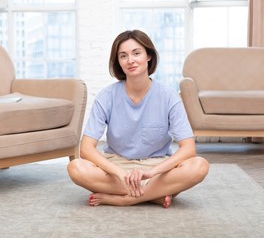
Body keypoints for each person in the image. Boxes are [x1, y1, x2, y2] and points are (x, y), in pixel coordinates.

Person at [67, 29, 209, 208]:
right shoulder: (106, 96)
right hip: (116, 167)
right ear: (118, 62)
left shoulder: (169, 96)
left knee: (199, 166)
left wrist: (151, 173)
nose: (130, 60)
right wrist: (119, 172)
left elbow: (188, 149)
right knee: (76, 168)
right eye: (123, 56)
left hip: (157, 169)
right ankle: (154, 195)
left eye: (136, 53)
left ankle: (125, 199)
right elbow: (86, 149)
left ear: (148, 56)